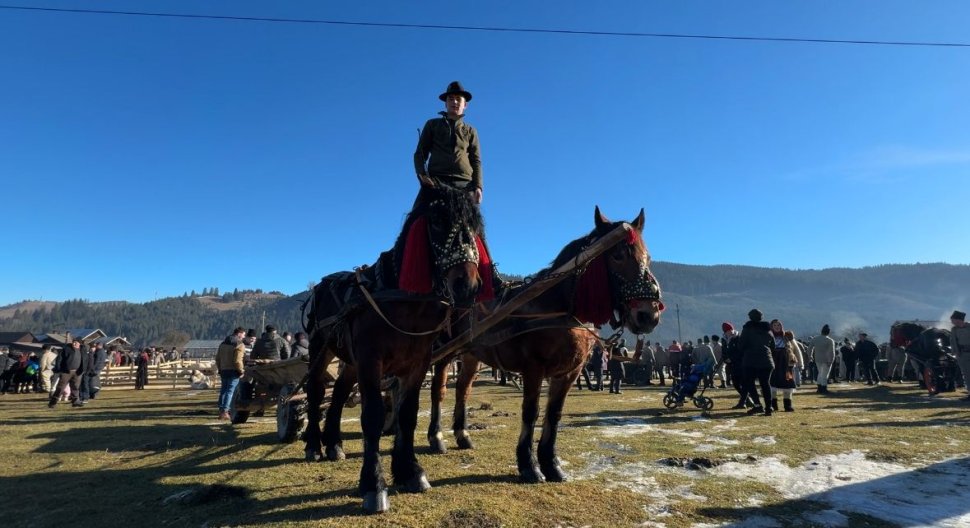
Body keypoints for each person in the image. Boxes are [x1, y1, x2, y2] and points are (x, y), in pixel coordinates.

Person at [739, 309, 774, 416]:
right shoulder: (768, 329)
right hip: (766, 360)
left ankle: (758, 405)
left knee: (749, 383)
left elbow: (741, 345)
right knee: (765, 384)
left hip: (751, 360)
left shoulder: (747, 329)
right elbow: (773, 345)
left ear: (750, 317)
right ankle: (769, 407)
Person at [768, 321, 797, 412]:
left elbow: (796, 349)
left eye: (778, 325)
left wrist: (800, 363)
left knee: (788, 382)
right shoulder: (768, 336)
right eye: (774, 325)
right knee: (772, 383)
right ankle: (773, 405)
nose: (777, 327)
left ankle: (788, 405)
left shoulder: (787, 336)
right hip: (773, 363)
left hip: (787, 365)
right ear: (771, 327)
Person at [48, 339, 84, 408]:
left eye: (75, 342)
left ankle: (76, 401)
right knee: (60, 387)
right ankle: (53, 402)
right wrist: (59, 369)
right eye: (73, 342)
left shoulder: (82, 350)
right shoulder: (66, 349)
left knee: (75, 387)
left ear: (79, 344)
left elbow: (84, 360)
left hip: (77, 372)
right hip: (66, 372)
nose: (73, 344)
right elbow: (59, 359)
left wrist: (82, 369)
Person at [809, 324, 837, 393]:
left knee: (820, 373)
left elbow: (809, 348)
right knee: (825, 374)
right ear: (828, 332)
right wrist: (831, 360)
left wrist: (810, 356)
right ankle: (824, 388)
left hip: (817, 359)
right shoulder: (830, 340)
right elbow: (832, 352)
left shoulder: (815, 339)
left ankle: (819, 388)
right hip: (827, 359)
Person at [950, 310, 970, 401]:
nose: (952, 322)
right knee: (967, 374)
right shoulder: (954, 330)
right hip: (963, 354)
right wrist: (956, 352)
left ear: (959, 320)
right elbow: (953, 341)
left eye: (953, 320)